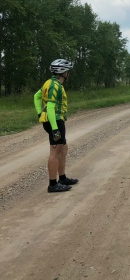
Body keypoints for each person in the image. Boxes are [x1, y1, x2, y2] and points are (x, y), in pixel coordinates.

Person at [34, 59, 79, 193]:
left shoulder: (49, 83)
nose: (68, 73)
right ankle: (53, 184)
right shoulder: (55, 86)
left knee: (63, 148)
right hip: (55, 121)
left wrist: (39, 113)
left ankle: (62, 178)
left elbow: (36, 96)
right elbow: (51, 108)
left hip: (54, 120)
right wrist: (54, 129)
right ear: (63, 72)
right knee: (55, 152)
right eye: (67, 71)